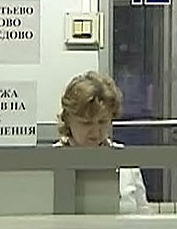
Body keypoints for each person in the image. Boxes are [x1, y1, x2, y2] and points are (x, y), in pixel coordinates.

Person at [54, 70, 152, 214]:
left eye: (102, 122)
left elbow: (143, 213)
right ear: (68, 120)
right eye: (86, 123)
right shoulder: (51, 161)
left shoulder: (125, 162)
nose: (96, 132)